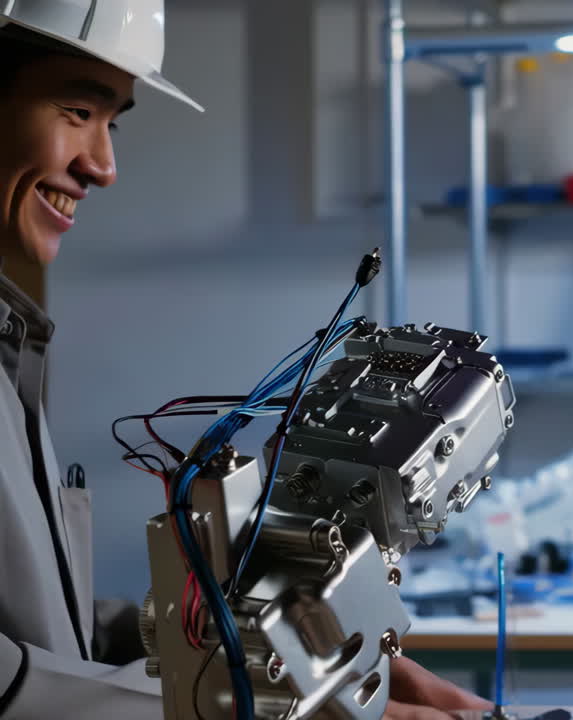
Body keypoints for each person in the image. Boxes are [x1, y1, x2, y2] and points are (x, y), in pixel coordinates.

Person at [0, 3, 491, 718]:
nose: (103, 165)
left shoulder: (12, 343)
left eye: (113, 122)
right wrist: (250, 701)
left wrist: (266, 654)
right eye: (77, 109)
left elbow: (49, 634)